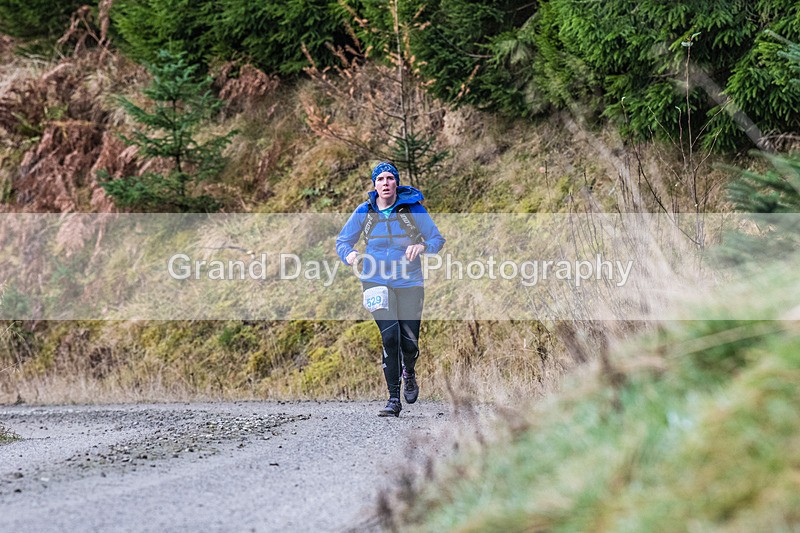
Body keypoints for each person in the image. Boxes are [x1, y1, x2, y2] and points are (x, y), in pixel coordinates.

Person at [336, 162, 445, 417]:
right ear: (374, 185)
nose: (385, 183)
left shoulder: (413, 210)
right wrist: (351, 255)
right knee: (390, 337)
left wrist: (422, 247)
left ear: (396, 183)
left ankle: (409, 370)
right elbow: (342, 241)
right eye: (380, 179)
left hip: (409, 282)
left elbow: (436, 239)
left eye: (390, 178)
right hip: (374, 280)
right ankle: (393, 399)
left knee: (409, 342)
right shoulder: (364, 212)